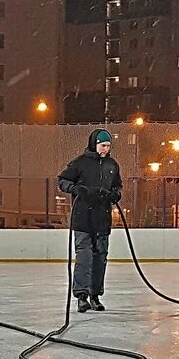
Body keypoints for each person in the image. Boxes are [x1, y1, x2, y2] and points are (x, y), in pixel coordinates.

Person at [57, 128, 123, 313]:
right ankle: (82, 297)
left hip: (102, 220)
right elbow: (62, 181)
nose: (106, 149)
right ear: (94, 144)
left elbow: (117, 185)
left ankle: (95, 295)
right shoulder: (80, 163)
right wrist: (76, 189)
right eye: (103, 145)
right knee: (84, 257)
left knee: (100, 257)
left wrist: (116, 193)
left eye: (108, 146)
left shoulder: (112, 165)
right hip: (83, 219)